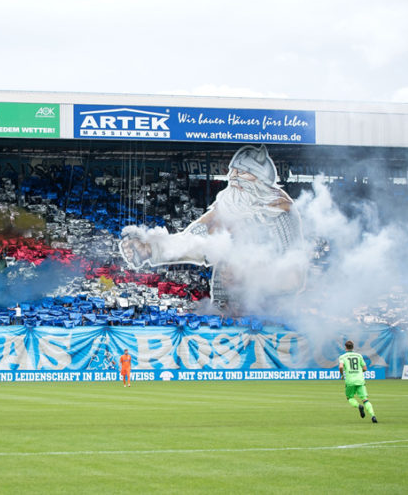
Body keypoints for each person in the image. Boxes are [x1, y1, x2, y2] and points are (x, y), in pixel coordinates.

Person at [119, 145, 305, 312]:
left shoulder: (281, 212)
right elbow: (193, 242)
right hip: (227, 309)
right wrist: (150, 249)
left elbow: (293, 279)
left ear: (260, 179)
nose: (233, 178)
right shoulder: (227, 207)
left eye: (242, 173)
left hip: (268, 313)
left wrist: (247, 277)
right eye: (233, 171)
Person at [338, 340, 377, 423]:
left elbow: (341, 367)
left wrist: (342, 375)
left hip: (350, 380)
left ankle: (359, 406)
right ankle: (373, 416)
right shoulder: (359, 356)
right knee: (365, 399)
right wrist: (359, 372)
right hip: (360, 380)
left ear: (345, 348)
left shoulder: (342, 357)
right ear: (353, 347)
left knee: (350, 397)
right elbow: (365, 368)